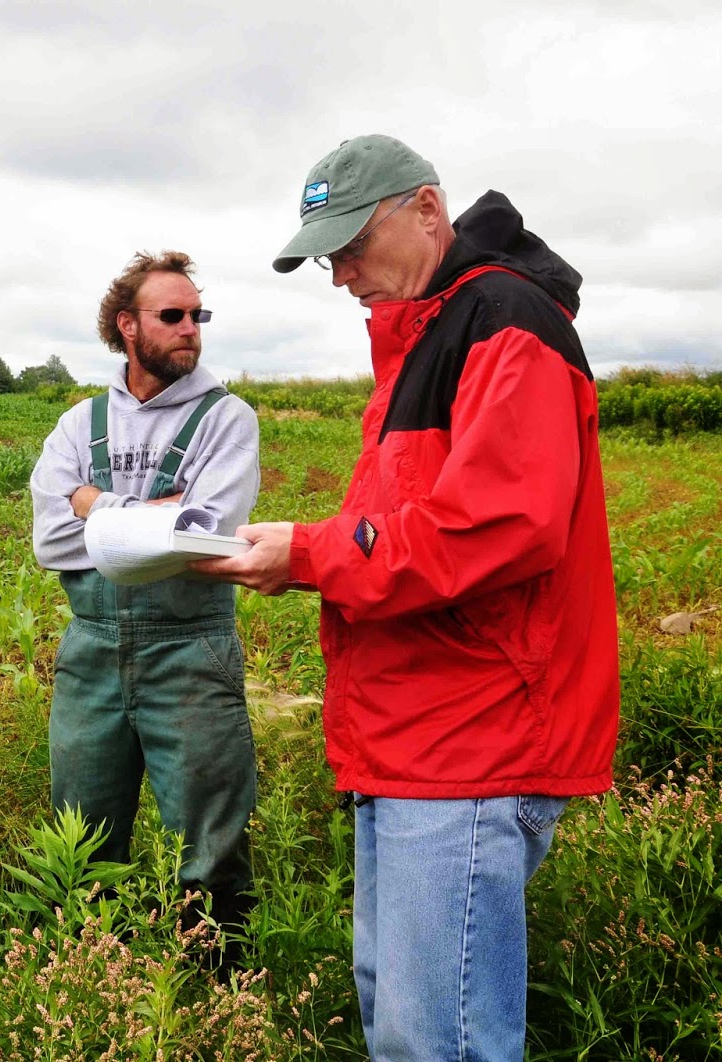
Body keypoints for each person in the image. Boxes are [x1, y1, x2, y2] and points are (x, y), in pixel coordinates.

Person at [196, 135, 619, 1059]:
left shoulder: (502, 320)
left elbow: (499, 526)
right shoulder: (425, 337)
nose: (343, 274)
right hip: (411, 740)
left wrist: (309, 553)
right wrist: (307, 551)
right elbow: (407, 525)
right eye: (328, 257)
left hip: (471, 740)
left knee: (439, 1040)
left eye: (352, 245)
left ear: (427, 209)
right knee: (402, 1023)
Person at [30, 251, 261, 962]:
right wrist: (159, 516)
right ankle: (90, 981)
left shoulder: (227, 419)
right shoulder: (80, 424)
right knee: (81, 832)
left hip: (191, 648)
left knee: (209, 839)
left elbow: (203, 534)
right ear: (128, 326)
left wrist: (94, 504)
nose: (191, 327)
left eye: (198, 315)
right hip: (90, 648)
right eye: (173, 315)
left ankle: (218, 988)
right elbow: (49, 540)